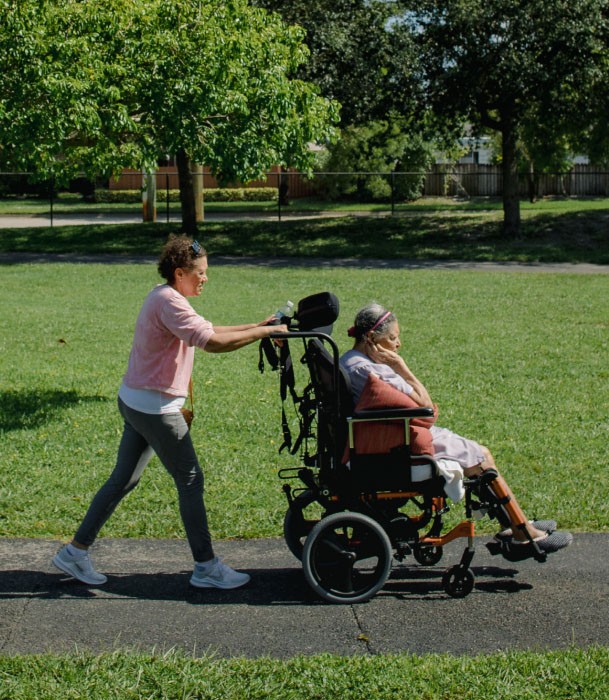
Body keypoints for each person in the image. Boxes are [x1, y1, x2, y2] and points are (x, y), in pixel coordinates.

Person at [52, 235, 287, 589]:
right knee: (191, 481)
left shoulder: (164, 296)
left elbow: (210, 329)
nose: (206, 278)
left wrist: (260, 326)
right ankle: (206, 567)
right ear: (180, 273)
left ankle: (74, 552)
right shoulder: (171, 303)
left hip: (135, 401)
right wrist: (262, 333)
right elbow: (211, 343)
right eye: (201, 273)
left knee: (123, 479)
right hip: (155, 409)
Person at [339, 303, 573, 561]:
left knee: (478, 454)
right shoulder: (372, 370)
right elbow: (426, 407)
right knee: (482, 457)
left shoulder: (349, 361)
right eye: (392, 338)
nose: (398, 345)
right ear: (372, 338)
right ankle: (521, 532)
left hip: (385, 435)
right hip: (400, 443)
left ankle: (514, 525)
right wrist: (401, 366)